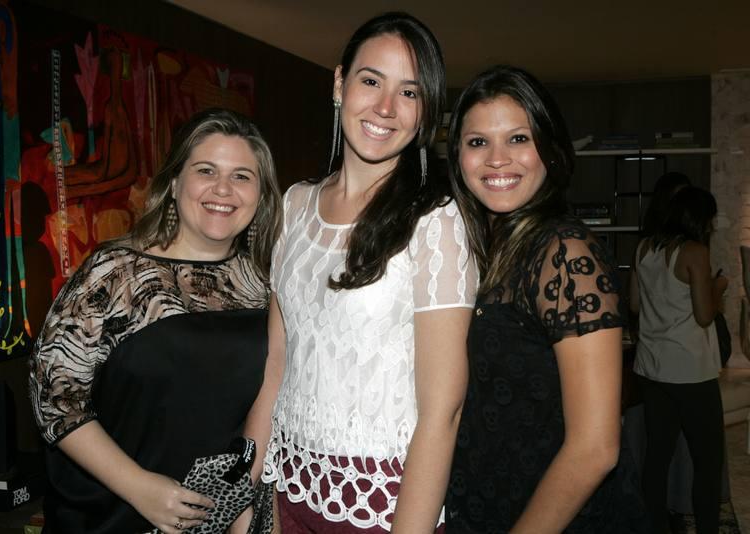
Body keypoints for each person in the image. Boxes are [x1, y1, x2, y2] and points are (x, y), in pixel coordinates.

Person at [257, 12, 478, 533]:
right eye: (371, 81)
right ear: (340, 84)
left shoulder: (436, 222)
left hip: (382, 500)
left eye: (409, 92)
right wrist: (249, 488)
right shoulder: (294, 205)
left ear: (426, 111)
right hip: (287, 484)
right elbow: (276, 366)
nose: (385, 107)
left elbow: (443, 411)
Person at [29, 108, 282, 534]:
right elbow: (54, 398)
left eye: (242, 176)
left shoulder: (267, 283)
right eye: (206, 170)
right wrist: (139, 488)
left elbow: (273, 404)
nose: (223, 189)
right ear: (175, 183)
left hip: (225, 516)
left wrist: (243, 503)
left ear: (261, 195)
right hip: (115, 513)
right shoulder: (115, 273)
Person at [444, 65, 647, 533]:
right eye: (478, 142)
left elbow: (595, 448)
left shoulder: (565, 253)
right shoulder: (471, 249)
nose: (497, 159)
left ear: (549, 150)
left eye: (518, 138)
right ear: (457, 156)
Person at [630, 186, 727, 534]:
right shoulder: (695, 252)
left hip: (652, 368)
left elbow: (635, 305)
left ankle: (654, 527)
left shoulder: (644, 248)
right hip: (691, 372)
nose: (712, 225)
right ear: (698, 219)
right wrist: (719, 287)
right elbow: (704, 315)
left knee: (657, 457)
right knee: (708, 462)